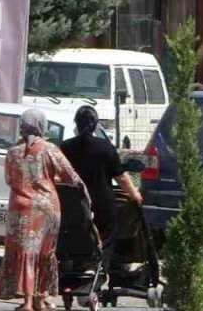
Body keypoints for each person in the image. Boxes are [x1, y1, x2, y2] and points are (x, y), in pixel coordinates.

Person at [0, 109, 90, 311]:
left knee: (25, 252)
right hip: (47, 207)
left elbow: (10, 180)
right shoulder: (49, 149)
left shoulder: (12, 152)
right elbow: (71, 176)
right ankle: (40, 299)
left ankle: (26, 301)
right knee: (45, 252)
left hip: (20, 207)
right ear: (41, 125)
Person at [59, 105, 143, 247]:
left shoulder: (65, 147)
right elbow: (120, 177)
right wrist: (135, 194)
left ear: (76, 123)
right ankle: (97, 262)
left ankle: (76, 261)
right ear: (96, 125)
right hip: (102, 205)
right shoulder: (106, 147)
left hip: (73, 204)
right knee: (110, 231)